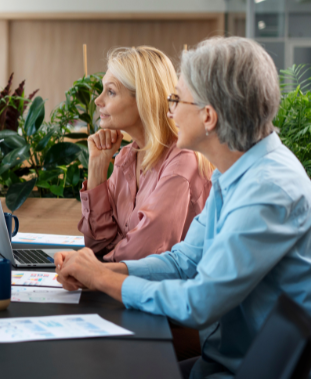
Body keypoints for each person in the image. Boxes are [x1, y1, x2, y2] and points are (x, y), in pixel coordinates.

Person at [56, 37, 311, 379]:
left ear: (208, 116)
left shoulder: (268, 190)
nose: (168, 110)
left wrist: (102, 279)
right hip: (228, 364)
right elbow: (182, 261)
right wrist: (99, 269)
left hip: (268, 378)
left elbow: (199, 302)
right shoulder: (232, 173)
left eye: (175, 99)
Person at [79, 46, 212, 262]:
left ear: (143, 99)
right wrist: (97, 166)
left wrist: (91, 269)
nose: (98, 100)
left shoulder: (182, 162)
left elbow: (144, 255)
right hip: (125, 287)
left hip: (166, 292)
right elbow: (97, 244)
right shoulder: (126, 157)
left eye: (111, 92)